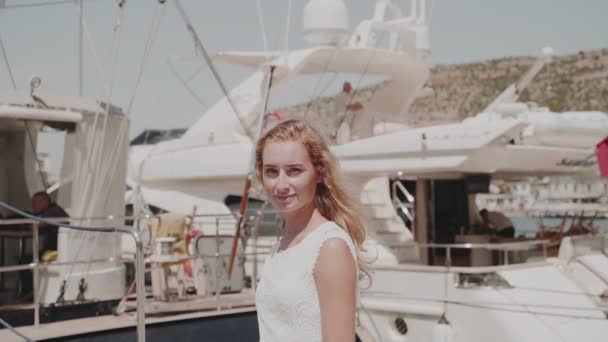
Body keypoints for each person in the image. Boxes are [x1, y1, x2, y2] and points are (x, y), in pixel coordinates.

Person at [254, 119, 367, 342]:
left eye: (294, 171)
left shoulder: (329, 247)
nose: (281, 184)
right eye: (271, 171)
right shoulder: (281, 246)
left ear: (319, 174)